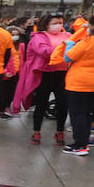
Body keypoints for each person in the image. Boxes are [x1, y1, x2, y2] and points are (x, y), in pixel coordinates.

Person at [55, 15, 94, 157]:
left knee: (77, 114)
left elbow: (69, 57)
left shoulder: (89, 41)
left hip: (80, 81)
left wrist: (70, 44)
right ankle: (83, 142)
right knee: (86, 113)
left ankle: (80, 144)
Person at [17, 14, 70, 145]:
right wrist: (65, 49)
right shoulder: (38, 36)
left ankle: (60, 132)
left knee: (62, 105)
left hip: (62, 73)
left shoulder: (67, 36)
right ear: (47, 24)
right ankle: (36, 131)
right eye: (56, 22)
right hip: (44, 74)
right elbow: (45, 52)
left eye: (61, 22)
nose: (59, 25)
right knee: (41, 104)